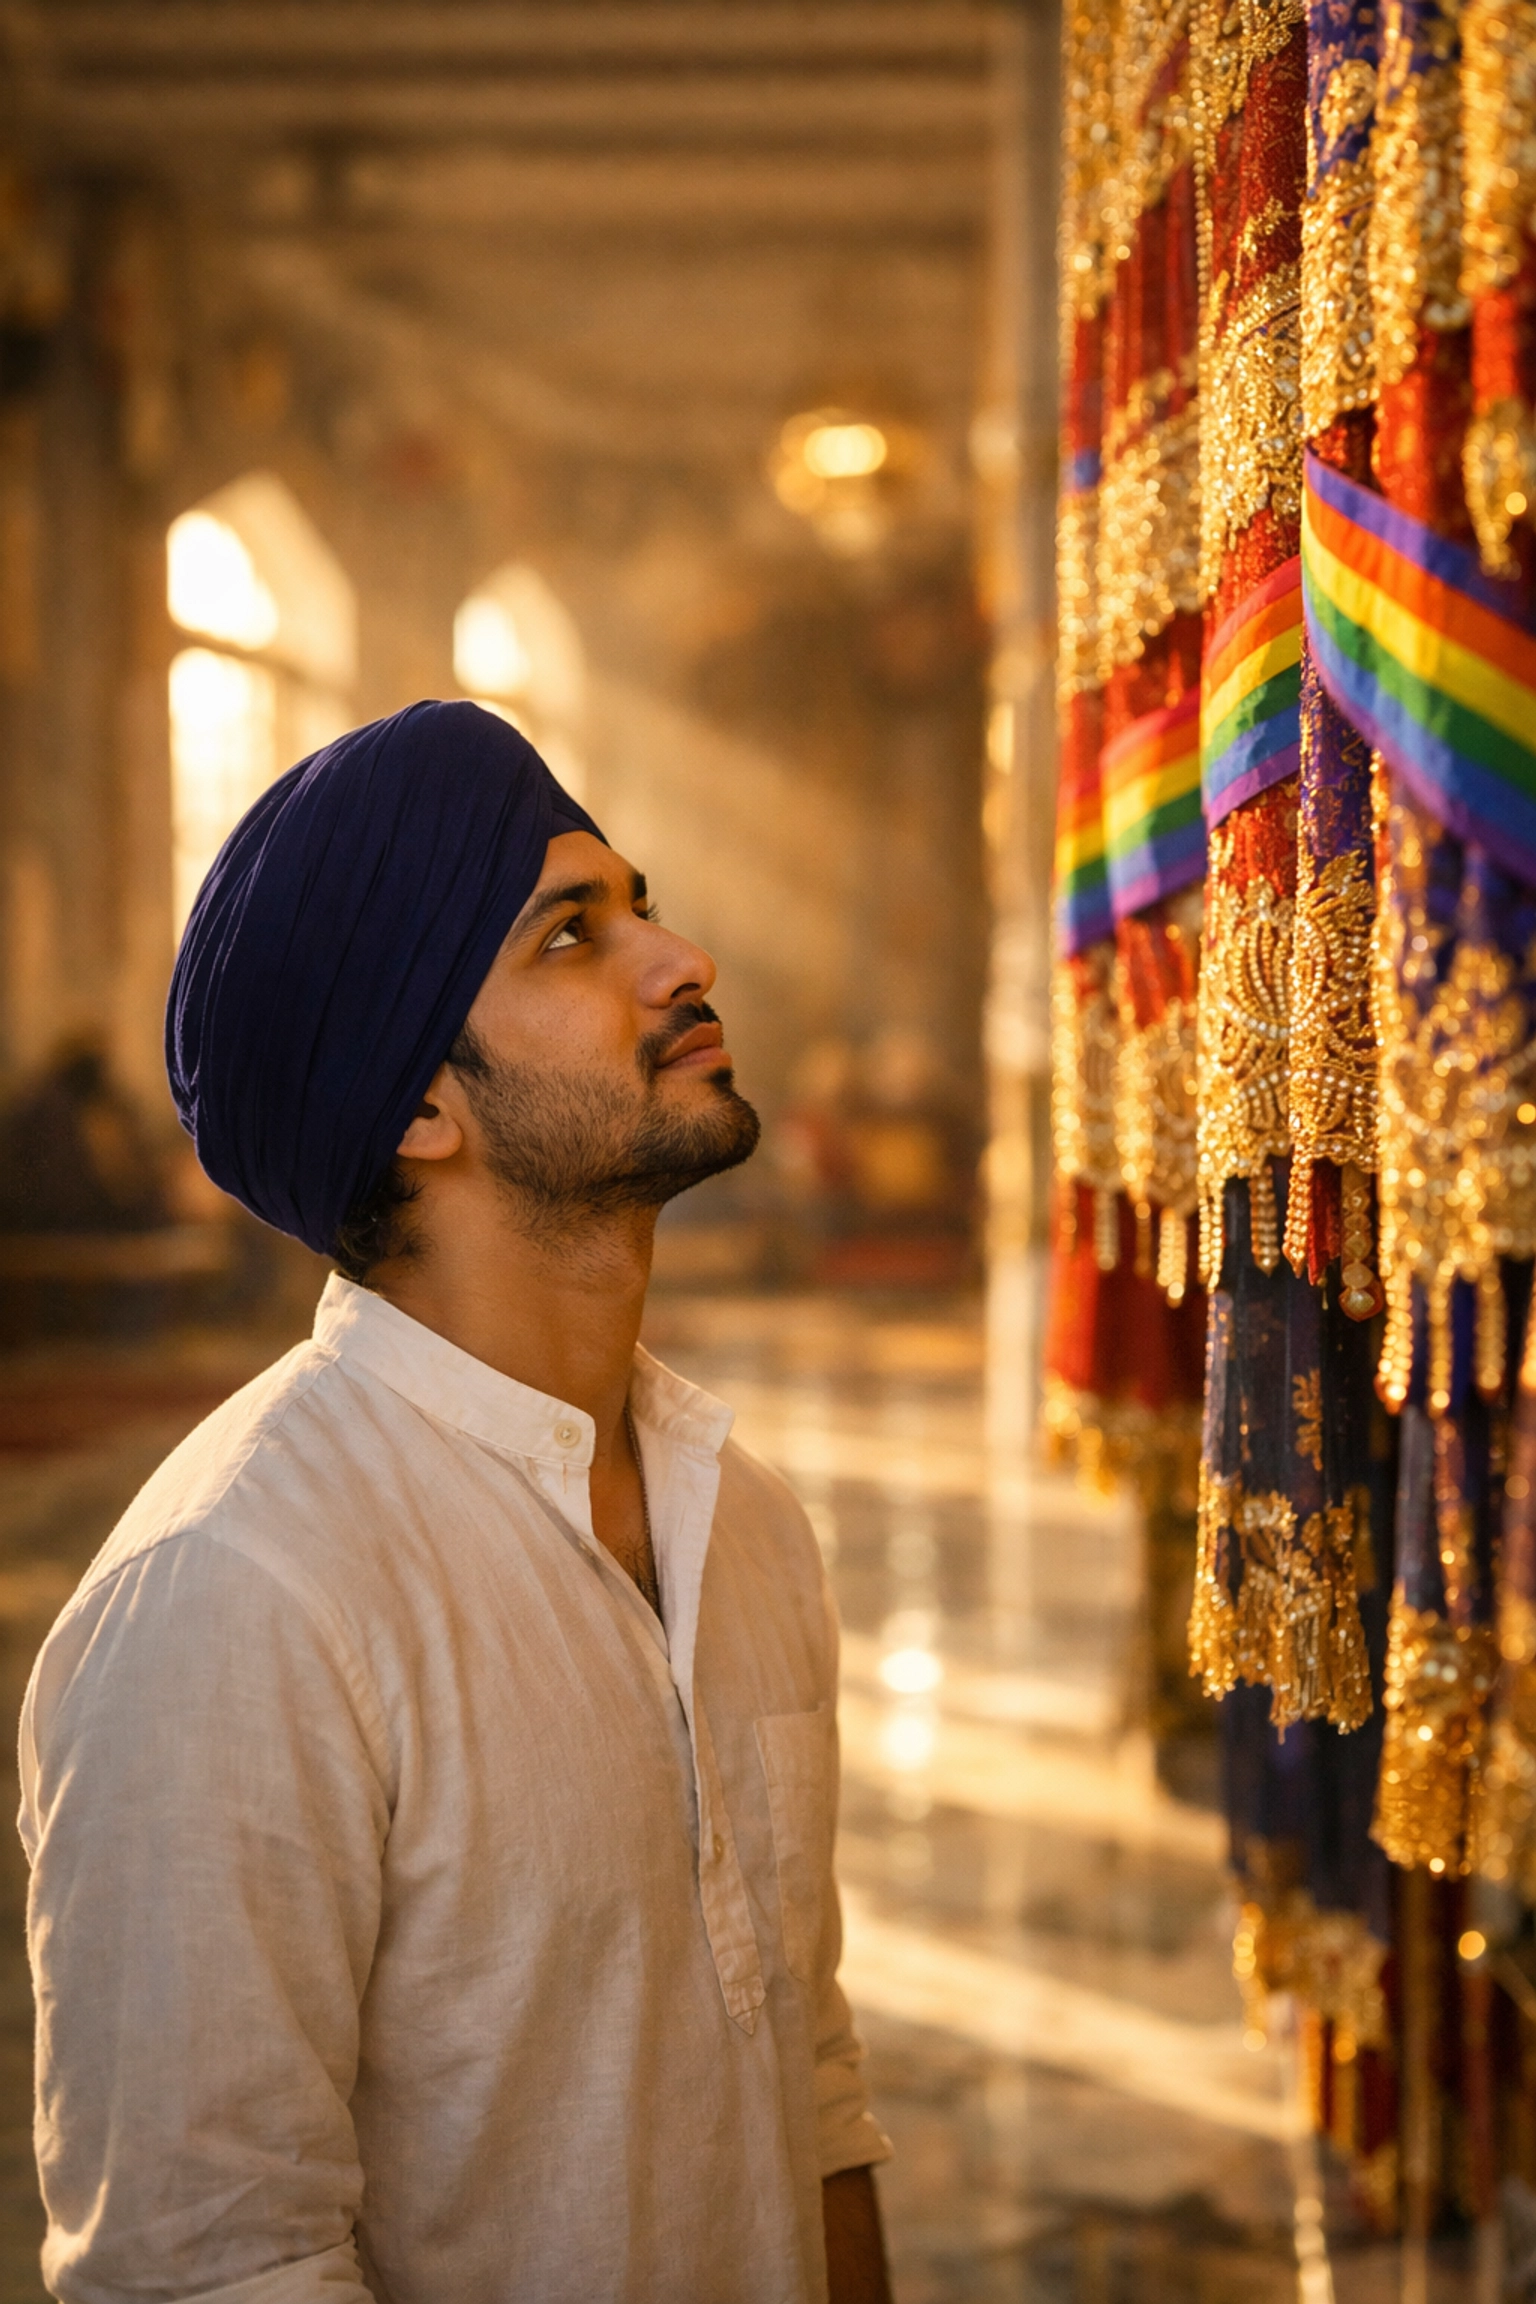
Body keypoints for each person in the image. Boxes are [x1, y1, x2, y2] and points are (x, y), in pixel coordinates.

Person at [19, 701, 892, 2304]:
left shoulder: (743, 1521)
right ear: (421, 1108)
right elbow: (212, 2266)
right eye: (575, 932)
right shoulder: (235, 1598)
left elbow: (811, 2093)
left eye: (640, 901)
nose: (681, 955)